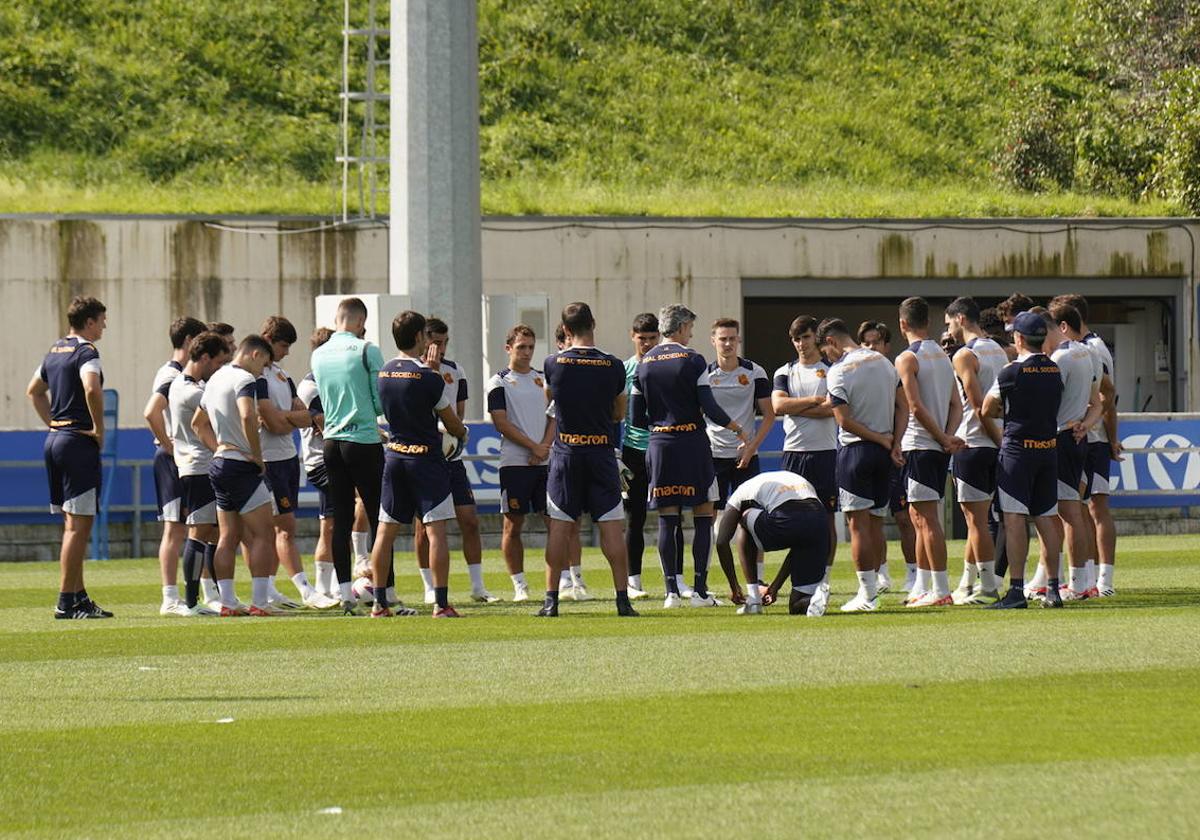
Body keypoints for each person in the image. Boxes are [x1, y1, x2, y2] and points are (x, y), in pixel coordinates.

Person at [633, 303, 749, 608]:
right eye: (690, 329)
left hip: (659, 444)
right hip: (692, 443)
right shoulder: (694, 360)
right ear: (682, 327)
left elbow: (635, 416)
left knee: (667, 519)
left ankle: (671, 592)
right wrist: (736, 427)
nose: (691, 334)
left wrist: (661, 424)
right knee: (702, 514)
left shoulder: (644, 362)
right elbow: (708, 406)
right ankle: (699, 590)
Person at [541, 302, 638, 617]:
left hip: (566, 451)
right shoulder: (613, 365)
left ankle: (551, 600)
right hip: (600, 451)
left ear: (566, 331)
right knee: (611, 527)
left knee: (559, 526)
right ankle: (622, 599)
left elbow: (550, 399)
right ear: (593, 324)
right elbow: (619, 412)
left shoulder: (553, 363)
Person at [369, 311, 466, 618]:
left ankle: (379, 603)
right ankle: (440, 603)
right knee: (436, 531)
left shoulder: (383, 372)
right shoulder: (428, 377)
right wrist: (460, 433)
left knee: (385, 531)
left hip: (395, 455)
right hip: (425, 457)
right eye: (426, 335)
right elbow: (452, 422)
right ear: (419, 338)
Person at [27, 296, 113, 619]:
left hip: (54, 440)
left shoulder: (54, 350)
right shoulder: (86, 351)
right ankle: (66, 601)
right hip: (77, 442)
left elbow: (34, 390)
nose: (104, 325)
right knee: (78, 526)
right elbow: (92, 389)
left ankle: (79, 597)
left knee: (74, 523)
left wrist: (53, 422)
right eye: (102, 320)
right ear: (89, 322)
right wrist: (98, 428)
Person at [819, 318, 907, 612]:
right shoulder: (884, 363)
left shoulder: (838, 371)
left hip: (856, 452)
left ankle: (867, 594)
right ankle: (873, 590)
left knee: (857, 527)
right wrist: (895, 442)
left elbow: (843, 420)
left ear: (831, 342)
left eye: (826, 351)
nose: (827, 357)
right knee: (876, 524)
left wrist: (882, 441)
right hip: (885, 454)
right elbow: (903, 406)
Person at [192, 335, 282, 616]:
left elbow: (198, 423)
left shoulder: (216, 378)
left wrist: (220, 446)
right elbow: (246, 415)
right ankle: (260, 602)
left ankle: (228, 602)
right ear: (255, 354)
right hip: (240, 466)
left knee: (228, 536)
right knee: (264, 534)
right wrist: (255, 455)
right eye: (264, 364)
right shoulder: (244, 379)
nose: (263, 371)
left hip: (219, 464)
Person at [981, 311, 1065, 609]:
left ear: (1018, 338)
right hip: (1048, 448)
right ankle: (1053, 588)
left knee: (1015, 519)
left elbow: (987, 409)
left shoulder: (1010, 372)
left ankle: (1016, 590)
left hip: (1018, 450)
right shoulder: (1054, 369)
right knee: (1046, 518)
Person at [308, 297, 386, 613]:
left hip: (332, 442)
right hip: (364, 440)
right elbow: (380, 401)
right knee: (381, 516)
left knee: (340, 518)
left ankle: (344, 595)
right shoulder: (367, 349)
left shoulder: (318, 354)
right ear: (358, 321)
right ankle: (385, 593)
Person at [256, 316, 337, 609]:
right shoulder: (255, 378)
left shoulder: (281, 375)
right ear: (267, 339)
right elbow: (277, 423)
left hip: (289, 457)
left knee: (281, 527)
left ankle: (268, 588)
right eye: (283, 345)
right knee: (284, 527)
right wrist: (290, 418)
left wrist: (287, 417)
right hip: (268, 459)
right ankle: (306, 589)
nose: (287, 352)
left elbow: (304, 414)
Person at [416, 318, 497, 604]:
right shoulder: (412, 370)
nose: (440, 347)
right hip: (422, 456)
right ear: (423, 340)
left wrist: (453, 434)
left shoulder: (456, 370)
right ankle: (429, 587)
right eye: (435, 341)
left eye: (445, 342)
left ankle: (478, 587)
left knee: (470, 520)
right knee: (425, 526)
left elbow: (458, 415)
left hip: (451, 457)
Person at [1028, 304, 1103, 601]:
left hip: (1059, 437)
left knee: (1068, 512)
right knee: (1072, 510)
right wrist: (1086, 424)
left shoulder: (1058, 359)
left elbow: (1046, 402)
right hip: (1077, 438)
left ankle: (1078, 583)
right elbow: (1099, 400)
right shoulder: (1087, 353)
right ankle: (1081, 580)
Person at [895, 297, 964, 607]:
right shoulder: (942, 354)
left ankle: (940, 588)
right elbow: (956, 405)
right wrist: (948, 437)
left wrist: (940, 437)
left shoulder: (908, 358)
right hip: (935, 446)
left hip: (921, 445)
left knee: (927, 519)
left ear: (903, 324)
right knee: (918, 517)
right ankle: (923, 585)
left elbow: (913, 406)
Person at [1051, 293, 1121, 597]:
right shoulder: (1087, 347)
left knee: (1094, 508)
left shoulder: (1091, 349)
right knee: (1081, 508)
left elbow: (1108, 396)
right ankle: (1088, 577)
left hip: (1092, 438)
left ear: (1064, 325)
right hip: (1086, 436)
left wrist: (1110, 436)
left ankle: (1102, 580)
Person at [706, 317, 775, 600]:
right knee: (710, 518)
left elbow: (769, 415)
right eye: (722, 338)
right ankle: (707, 580)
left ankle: (755, 579)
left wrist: (751, 448)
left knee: (752, 517)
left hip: (747, 456)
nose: (727, 343)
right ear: (713, 341)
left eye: (732, 338)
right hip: (713, 456)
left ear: (739, 340)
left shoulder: (754, 372)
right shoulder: (705, 375)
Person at [770, 315, 837, 605]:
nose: (801, 344)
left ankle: (824, 577)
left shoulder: (831, 370)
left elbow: (833, 408)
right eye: (796, 339)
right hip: (794, 454)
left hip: (824, 453)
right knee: (798, 520)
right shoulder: (785, 371)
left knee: (827, 520)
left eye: (806, 337)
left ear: (816, 339)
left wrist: (796, 407)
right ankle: (801, 579)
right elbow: (778, 405)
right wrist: (813, 402)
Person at [944, 296, 1007, 603]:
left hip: (974, 442)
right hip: (995, 440)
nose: (948, 329)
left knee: (976, 522)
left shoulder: (964, 355)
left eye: (949, 322)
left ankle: (989, 587)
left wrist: (998, 442)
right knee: (977, 520)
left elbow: (980, 407)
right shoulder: (997, 349)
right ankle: (967, 583)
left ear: (961, 319)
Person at [142, 316, 206, 616]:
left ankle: (200, 592)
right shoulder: (171, 375)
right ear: (189, 341)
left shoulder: (182, 375)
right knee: (175, 529)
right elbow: (151, 412)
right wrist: (170, 446)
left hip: (179, 458)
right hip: (171, 459)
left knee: (190, 526)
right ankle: (169, 597)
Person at [486, 324, 555, 602]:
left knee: (556, 523)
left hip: (545, 461)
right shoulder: (499, 381)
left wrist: (545, 447)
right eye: (521, 347)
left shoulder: (544, 378)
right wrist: (533, 446)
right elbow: (500, 422)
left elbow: (554, 415)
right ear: (508, 349)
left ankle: (561, 580)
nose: (526, 352)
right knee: (513, 525)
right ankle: (520, 584)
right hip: (515, 463)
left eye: (530, 347)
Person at [167, 331, 230, 614]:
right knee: (199, 531)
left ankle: (211, 596)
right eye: (217, 362)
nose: (218, 368)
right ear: (204, 357)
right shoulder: (192, 391)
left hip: (199, 465)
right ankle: (191, 601)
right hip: (198, 467)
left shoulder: (186, 384)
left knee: (212, 532)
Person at [714, 472, 832, 616]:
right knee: (797, 606)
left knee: (743, 519)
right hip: (820, 523)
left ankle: (753, 600)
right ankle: (814, 599)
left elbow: (721, 542)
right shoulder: (789, 478)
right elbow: (797, 545)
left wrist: (734, 587)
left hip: (788, 518)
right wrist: (774, 587)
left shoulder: (739, 495)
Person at [858, 321, 916, 592]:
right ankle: (880, 574)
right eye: (866, 343)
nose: (871, 348)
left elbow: (905, 408)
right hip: (868, 454)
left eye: (876, 342)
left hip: (896, 453)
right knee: (871, 519)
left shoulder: (894, 373)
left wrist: (898, 442)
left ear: (887, 346)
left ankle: (914, 573)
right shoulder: (854, 374)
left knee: (905, 517)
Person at [621, 312, 661, 598]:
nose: (646, 344)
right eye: (641, 338)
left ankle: (676, 581)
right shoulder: (624, 369)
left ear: (658, 338)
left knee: (671, 515)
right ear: (632, 337)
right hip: (633, 450)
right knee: (634, 517)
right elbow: (615, 412)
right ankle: (633, 580)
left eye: (651, 338)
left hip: (663, 447)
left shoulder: (665, 366)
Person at [298, 327, 337, 599]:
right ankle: (329, 584)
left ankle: (331, 585)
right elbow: (326, 426)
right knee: (338, 518)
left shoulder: (331, 381)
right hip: (320, 462)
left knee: (333, 522)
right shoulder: (310, 386)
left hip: (334, 458)